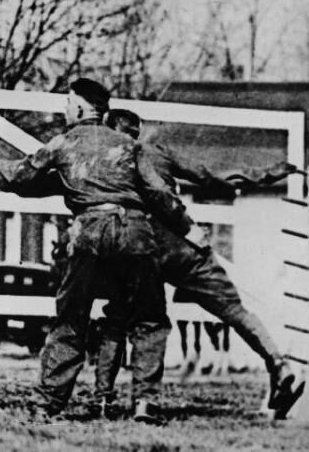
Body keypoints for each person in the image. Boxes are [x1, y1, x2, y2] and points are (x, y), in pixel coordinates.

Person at [0, 78, 178, 422]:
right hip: (135, 233)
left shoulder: (64, 142)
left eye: (67, 104)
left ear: (80, 108)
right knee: (149, 318)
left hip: (87, 232)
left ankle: (47, 404)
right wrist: (188, 228)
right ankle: (145, 404)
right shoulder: (128, 145)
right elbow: (161, 194)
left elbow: (21, 174)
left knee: (71, 319)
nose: (64, 110)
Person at [94, 108, 304, 419]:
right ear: (138, 131)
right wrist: (266, 174)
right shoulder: (155, 153)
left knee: (124, 320)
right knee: (233, 309)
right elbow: (210, 176)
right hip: (182, 245)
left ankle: (114, 400)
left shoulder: (98, 163)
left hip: (135, 250)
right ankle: (279, 364)